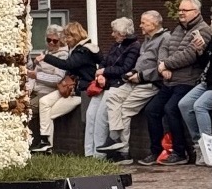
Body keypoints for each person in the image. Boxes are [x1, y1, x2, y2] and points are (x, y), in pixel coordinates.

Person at [137, 0, 211, 167]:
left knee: (171, 108)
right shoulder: (178, 29)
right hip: (169, 80)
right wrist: (162, 66)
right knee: (152, 110)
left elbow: (189, 55)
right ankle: (156, 151)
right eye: (180, 10)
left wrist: (166, 64)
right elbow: (164, 47)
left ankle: (180, 151)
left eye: (185, 10)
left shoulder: (204, 30)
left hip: (187, 80)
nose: (181, 13)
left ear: (196, 12)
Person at [96, 10, 168, 161]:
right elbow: (141, 62)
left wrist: (140, 76)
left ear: (154, 23)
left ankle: (124, 152)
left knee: (125, 109)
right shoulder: (147, 40)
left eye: (143, 23)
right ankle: (115, 138)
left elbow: (161, 67)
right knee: (113, 96)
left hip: (149, 83)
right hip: (135, 80)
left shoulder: (164, 39)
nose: (140, 26)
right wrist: (133, 72)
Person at [29, 22, 100, 155]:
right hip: (68, 88)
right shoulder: (75, 49)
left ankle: (48, 145)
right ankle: (45, 141)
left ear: (75, 36)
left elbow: (67, 65)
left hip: (79, 92)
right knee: (44, 102)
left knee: (50, 113)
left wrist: (46, 58)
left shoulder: (83, 51)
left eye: (68, 37)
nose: (66, 40)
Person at [83, 18, 139, 157]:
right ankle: (89, 152)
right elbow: (104, 61)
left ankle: (99, 155)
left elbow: (125, 68)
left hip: (117, 84)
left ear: (122, 33)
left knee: (101, 116)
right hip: (106, 83)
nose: (112, 34)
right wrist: (101, 74)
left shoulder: (134, 47)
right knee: (91, 114)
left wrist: (105, 72)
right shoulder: (116, 45)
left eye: (115, 32)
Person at [178, 26, 212, 165]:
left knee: (200, 106)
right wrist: (200, 50)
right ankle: (199, 145)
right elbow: (205, 63)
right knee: (184, 104)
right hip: (207, 82)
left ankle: (209, 147)